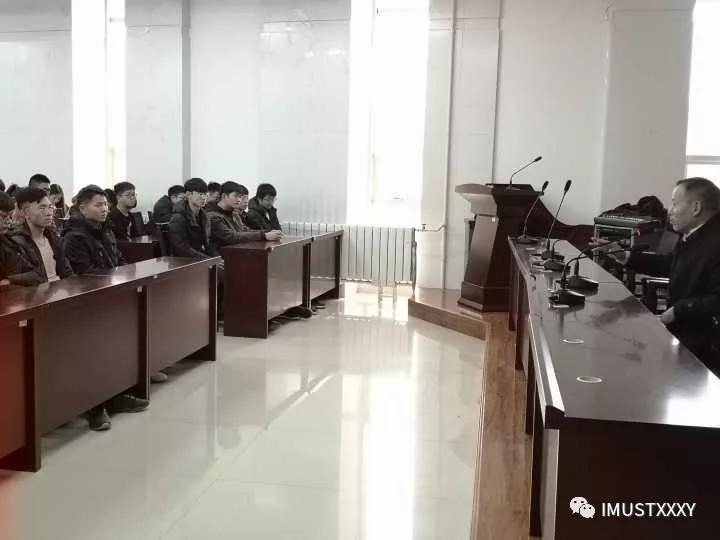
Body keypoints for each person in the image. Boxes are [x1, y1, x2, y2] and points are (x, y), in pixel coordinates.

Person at [607, 177, 720, 375]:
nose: (669, 210)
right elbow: (671, 263)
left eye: (675, 204)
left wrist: (679, 310)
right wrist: (627, 256)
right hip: (686, 333)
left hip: (707, 347)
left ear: (696, 208)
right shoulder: (694, 234)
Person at [1, 188, 73, 286]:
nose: (49, 213)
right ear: (25, 212)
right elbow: (32, 277)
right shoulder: (15, 242)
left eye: (50, 207)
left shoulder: (53, 238)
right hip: (36, 292)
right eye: (42, 208)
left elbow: (67, 272)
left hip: (61, 289)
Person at [63, 185, 126, 275]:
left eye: (105, 204)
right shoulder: (74, 238)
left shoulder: (107, 231)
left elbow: (119, 259)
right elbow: (87, 273)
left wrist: (126, 274)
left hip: (114, 280)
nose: (104, 209)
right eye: (98, 205)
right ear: (82, 209)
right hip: (96, 282)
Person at [207, 181, 282, 251]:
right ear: (224, 196)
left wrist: (268, 231)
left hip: (237, 252)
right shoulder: (212, 215)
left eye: (240, 197)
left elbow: (245, 230)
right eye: (236, 196)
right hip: (220, 256)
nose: (239, 200)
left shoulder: (234, 214)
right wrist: (263, 235)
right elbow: (231, 237)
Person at [168, 178, 218, 258]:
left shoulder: (204, 215)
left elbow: (208, 243)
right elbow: (182, 248)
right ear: (188, 194)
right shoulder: (178, 218)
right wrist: (207, 259)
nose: (204, 197)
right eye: (200, 194)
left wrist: (216, 258)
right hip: (184, 261)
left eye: (205, 194)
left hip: (199, 257)